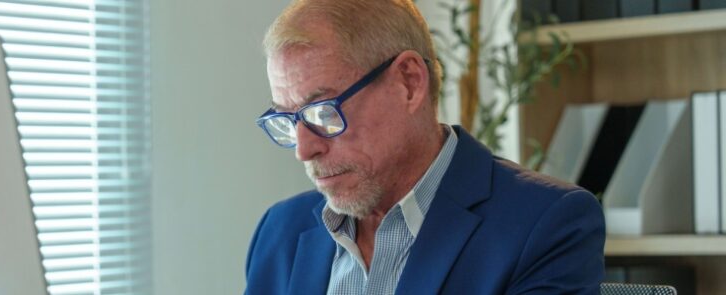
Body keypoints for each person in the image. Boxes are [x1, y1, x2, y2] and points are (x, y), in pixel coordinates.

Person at [244, 0, 605, 294]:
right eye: (289, 121)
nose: (304, 150)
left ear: (409, 82)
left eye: (323, 112)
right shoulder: (280, 233)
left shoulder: (544, 224)